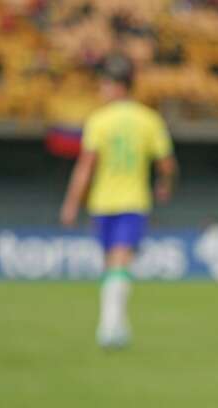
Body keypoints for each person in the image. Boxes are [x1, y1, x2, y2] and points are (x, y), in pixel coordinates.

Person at [60, 54, 177, 348]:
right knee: (119, 264)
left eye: (104, 84)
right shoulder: (149, 119)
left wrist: (71, 203)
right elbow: (167, 164)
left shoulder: (98, 120)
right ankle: (112, 325)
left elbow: (85, 167)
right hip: (133, 202)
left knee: (113, 263)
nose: (101, 89)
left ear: (117, 86)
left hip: (102, 203)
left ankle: (111, 326)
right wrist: (164, 185)